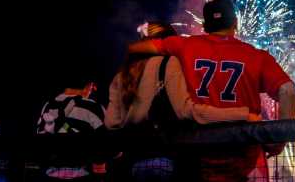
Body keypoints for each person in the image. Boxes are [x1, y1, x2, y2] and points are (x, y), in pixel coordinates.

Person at [128, 0, 295, 181]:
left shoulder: (183, 45)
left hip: (198, 153)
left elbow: (137, 48)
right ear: (235, 23)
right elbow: (287, 91)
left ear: (204, 25)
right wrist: (280, 139)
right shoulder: (258, 56)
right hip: (242, 156)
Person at [106, 21, 258, 181]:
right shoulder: (168, 64)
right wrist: (241, 114)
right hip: (167, 161)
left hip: (132, 165)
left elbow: (111, 123)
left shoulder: (121, 75)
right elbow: (186, 111)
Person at [36, 80, 106, 181]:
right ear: (89, 85)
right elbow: (105, 151)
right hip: (83, 174)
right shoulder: (94, 107)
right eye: (92, 87)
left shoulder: (47, 105)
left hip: (51, 173)